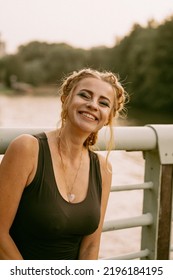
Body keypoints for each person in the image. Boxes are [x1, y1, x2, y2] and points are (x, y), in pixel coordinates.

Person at [0, 68, 127, 260]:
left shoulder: (103, 169)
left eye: (103, 103)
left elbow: (91, 246)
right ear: (65, 99)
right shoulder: (27, 149)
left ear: (108, 116)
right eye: (85, 95)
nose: (93, 105)